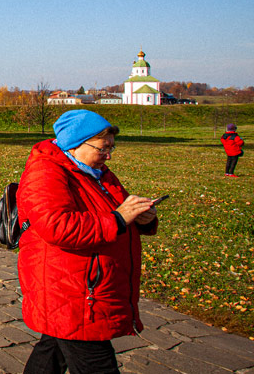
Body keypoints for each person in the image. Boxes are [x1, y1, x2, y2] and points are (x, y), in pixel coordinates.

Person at [18, 109, 159, 374]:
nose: (108, 155)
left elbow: (119, 210)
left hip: (83, 283)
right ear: (76, 144)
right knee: (97, 365)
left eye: (112, 148)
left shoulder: (97, 172)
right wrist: (118, 219)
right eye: (103, 148)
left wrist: (142, 218)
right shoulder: (46, 172)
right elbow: (57, 226)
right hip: (73, 289)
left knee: (52, 351)